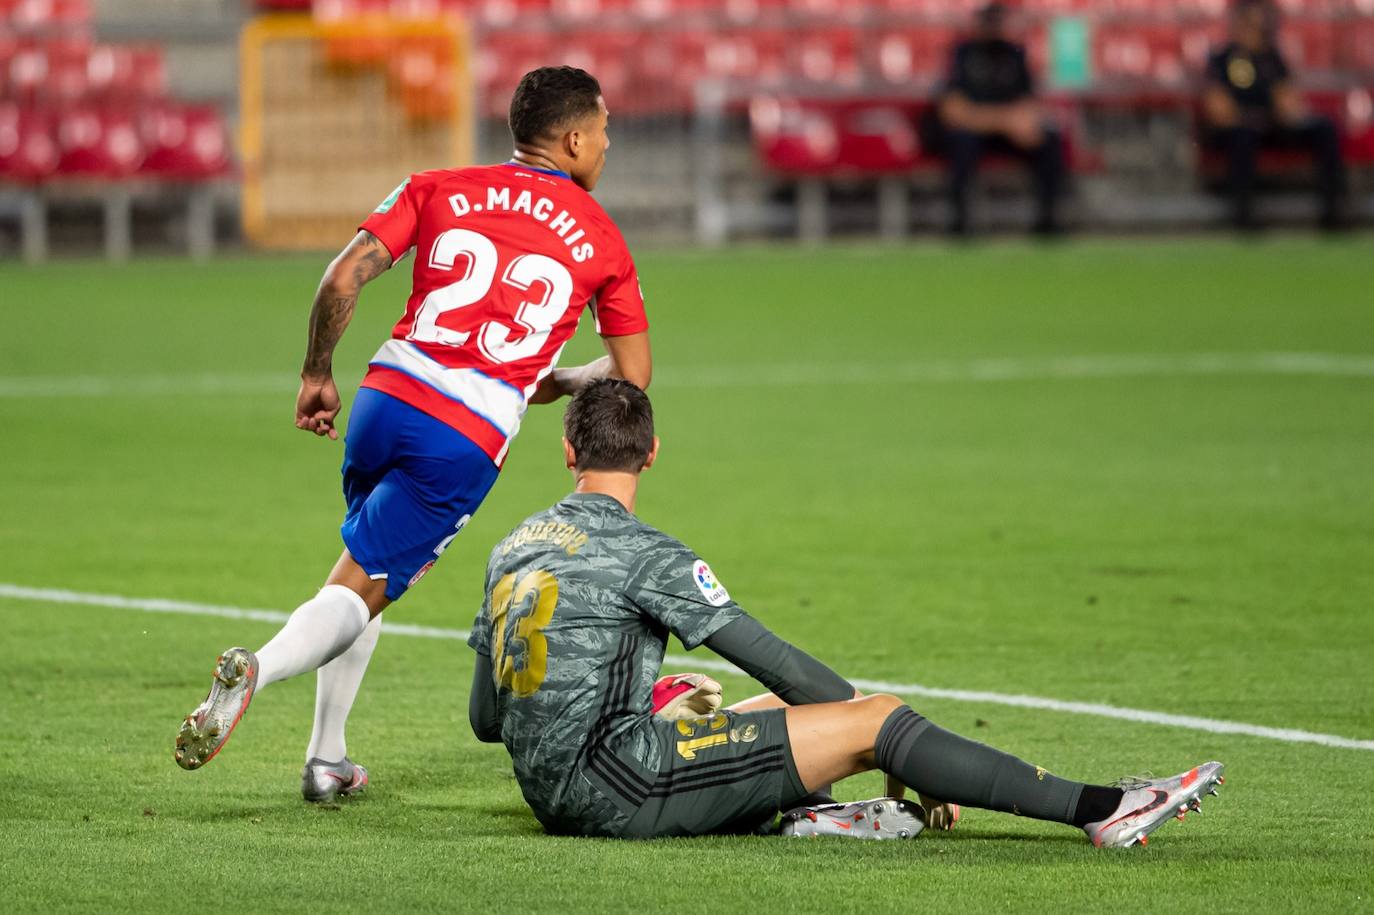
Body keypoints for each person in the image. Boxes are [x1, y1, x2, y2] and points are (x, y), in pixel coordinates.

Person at [172, 66, 653, 804]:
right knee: (363, 583)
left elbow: (342, 279)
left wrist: (315, 374)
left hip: (384, 397)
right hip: (461, 434)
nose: (609, 144)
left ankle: (326, 758)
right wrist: (546, 376)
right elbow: (630, 373)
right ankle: (257, 668)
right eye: (606, 130)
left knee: (366, 570)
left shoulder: (437, 186)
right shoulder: (603, 240)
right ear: (575, 137)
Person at [467, 379, 1226, 846]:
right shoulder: (649, 552)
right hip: (619, 790)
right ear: (653, 452)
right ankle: (1102, 807)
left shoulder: (512, 545)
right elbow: (779, 660)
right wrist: (894, 741)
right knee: (868, 714)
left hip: (557, 790)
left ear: (569, 451)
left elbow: (487, 719)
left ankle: (815, 817)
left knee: (769, 711)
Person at [1201, 0, 1346, 229]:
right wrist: (1252, 115)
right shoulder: (1221, 58)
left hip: (1271, 127)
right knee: (1243, 136)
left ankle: (1333, 213)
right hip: (1241, 130)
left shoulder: (1272, 58)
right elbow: (1219, 109)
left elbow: (1288, 104)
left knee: (1325, 129)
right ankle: (1243, 217)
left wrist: (1282, 111)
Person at [929, 2, 1065, 236]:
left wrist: (1022, 121)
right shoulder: (962, 54)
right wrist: (1004, 120)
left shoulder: (1014, 54)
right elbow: (953, 111)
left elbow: (1029, 103)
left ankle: (1047, 220)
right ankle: (960, 223)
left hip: (1006, 134)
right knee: (962, 142)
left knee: (1048, 140)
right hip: (975, 130)